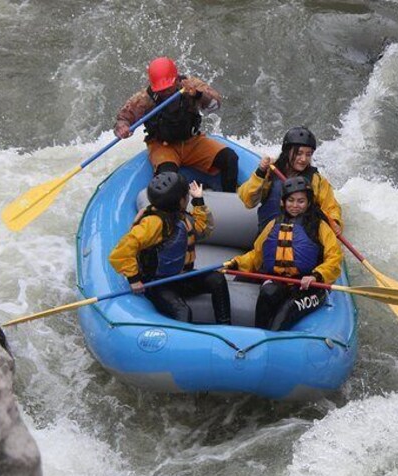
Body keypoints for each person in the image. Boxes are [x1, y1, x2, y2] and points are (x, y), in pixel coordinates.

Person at [109, 172, 231, 325]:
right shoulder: (153, 223)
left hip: (181, 276)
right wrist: (133, 279)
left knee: (217, 279)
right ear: (181, 200)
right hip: (158, 284)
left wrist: (198, 201)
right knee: (183, 311)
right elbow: (122, 251)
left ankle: (225, 327)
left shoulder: (181, 216)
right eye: (187, 195)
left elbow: (202, 229)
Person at [226, 176, 343, 331]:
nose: (295, 205)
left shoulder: (320, 227)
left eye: (301, 201)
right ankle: (258, 336)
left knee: (287, 308)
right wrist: (237, 263)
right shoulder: (274, 224)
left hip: (310, 286)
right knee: (267, 293)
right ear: (283, 202)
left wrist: (316, 276)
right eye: (291, 200)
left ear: (308, 203)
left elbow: (334, 258)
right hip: (280, 281)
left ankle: (271, 341)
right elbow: (257, 254)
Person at [113, 57, 239, 192]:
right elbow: (123, 118)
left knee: (229, 158)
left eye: (168, 88)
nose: (165, 93)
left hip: (192, 142)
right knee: (168, 179)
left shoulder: (191, 85)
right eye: (160, 90)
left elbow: (216, 104)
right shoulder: (144, 98)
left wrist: (198, 95)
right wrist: (122, 127)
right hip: (163, 146)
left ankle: (229, 196)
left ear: (176, 79)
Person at [237, 126, 343, 234]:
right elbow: (248, 201)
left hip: (301, 242)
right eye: (299, 153)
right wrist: (260, 172)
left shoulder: (316, 180)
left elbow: (331, 207)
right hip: (270, 240)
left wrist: (335, 221)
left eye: (308, 154)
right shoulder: (270, 172)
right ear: (287, 151)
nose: (303, 159)